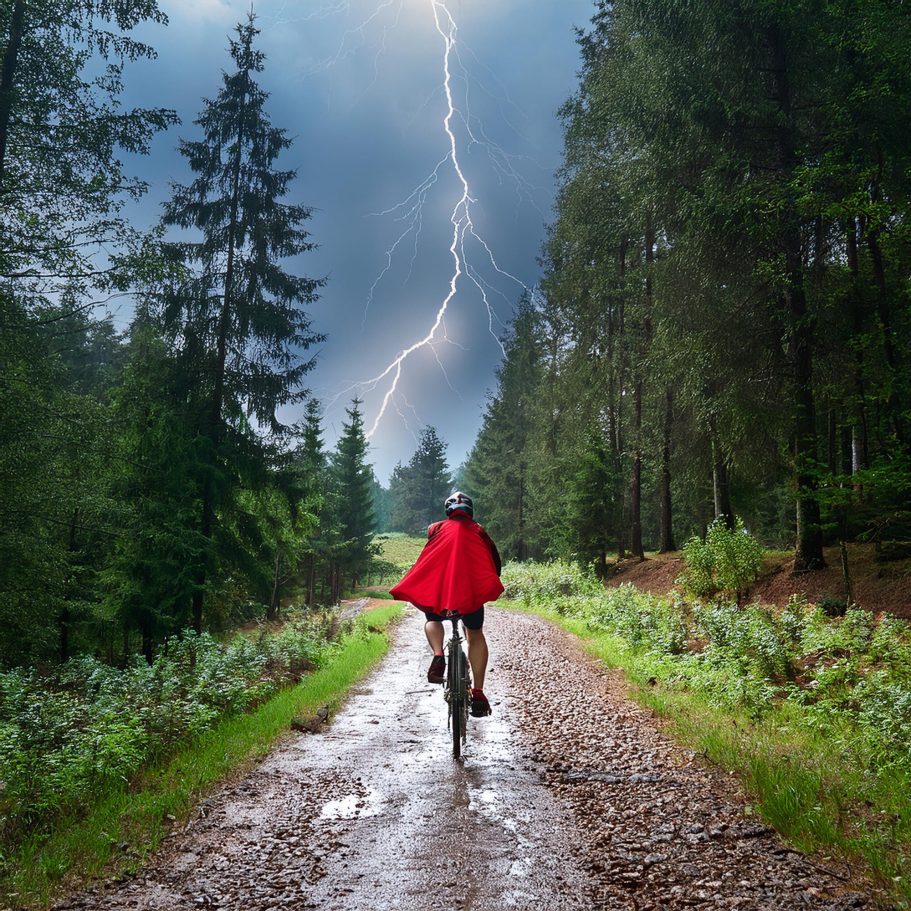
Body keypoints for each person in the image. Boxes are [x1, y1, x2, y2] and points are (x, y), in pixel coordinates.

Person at [390, 491, 502, 717]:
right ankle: (478, 691)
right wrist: (488, 583)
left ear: (447, 511)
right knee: (475, 633)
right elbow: (494, 561)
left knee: (432, 618)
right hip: (469, 594)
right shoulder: (479, 530)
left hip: (441, 593)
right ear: (470, 511)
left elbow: (429, 559)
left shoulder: (436, 529)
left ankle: (439, 654)